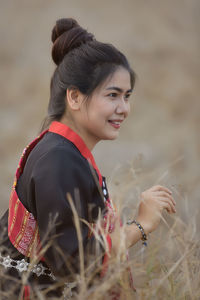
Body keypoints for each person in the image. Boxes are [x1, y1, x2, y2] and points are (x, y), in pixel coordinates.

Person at [0, 18, 176, 299]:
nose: (124, 108)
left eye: (127, 96)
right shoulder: (58, 160)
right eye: (112, 95)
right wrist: (140, 225)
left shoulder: (58, 149)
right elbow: (72, 262)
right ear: (74, 97)